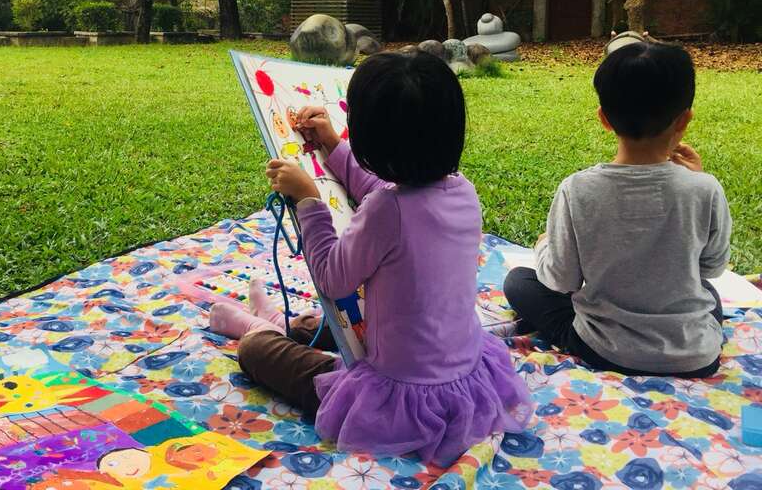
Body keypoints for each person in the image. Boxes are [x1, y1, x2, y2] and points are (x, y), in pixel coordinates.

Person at [210, 51, 532, 464]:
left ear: (372, 142)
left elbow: (332, 279)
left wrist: (309, 199)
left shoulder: (386, 210)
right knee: (323, 325)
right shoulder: (463, 190)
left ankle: (258, 328)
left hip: (398, 397)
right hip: (463, 376)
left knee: (258, 354)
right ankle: (281, 321)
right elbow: (382, 185)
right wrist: (333, 145)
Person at [504, 40, 731, 377]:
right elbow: (712, 267)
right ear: (684, 119)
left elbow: (561, 279)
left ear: (604, 118)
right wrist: (694, 180)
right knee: (707, 292)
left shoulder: (577, 189)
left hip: (606, 349)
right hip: (694, 354)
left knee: (518, 282)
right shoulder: (704, 188)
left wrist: (544, 245)